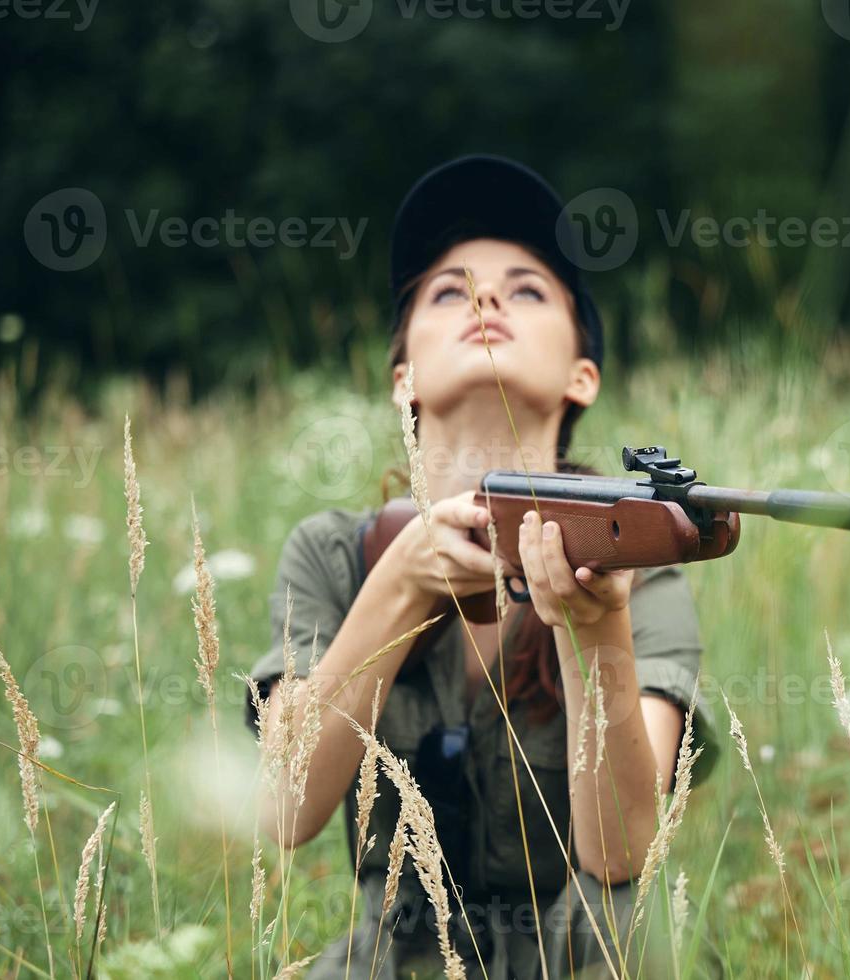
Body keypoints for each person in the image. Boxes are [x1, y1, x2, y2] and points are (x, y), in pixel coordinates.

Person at [245, 154, 719, 979]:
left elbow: (619, 854)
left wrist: (594, 621)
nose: (488, 298)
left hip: (580, 954)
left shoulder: (637, 564)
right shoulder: (332, 553)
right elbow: (283, 808)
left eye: (528, 290)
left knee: (648, 938)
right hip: (394, 958)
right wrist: (402, 580)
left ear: (584, 375)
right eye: (448, 291)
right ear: (404, 380)